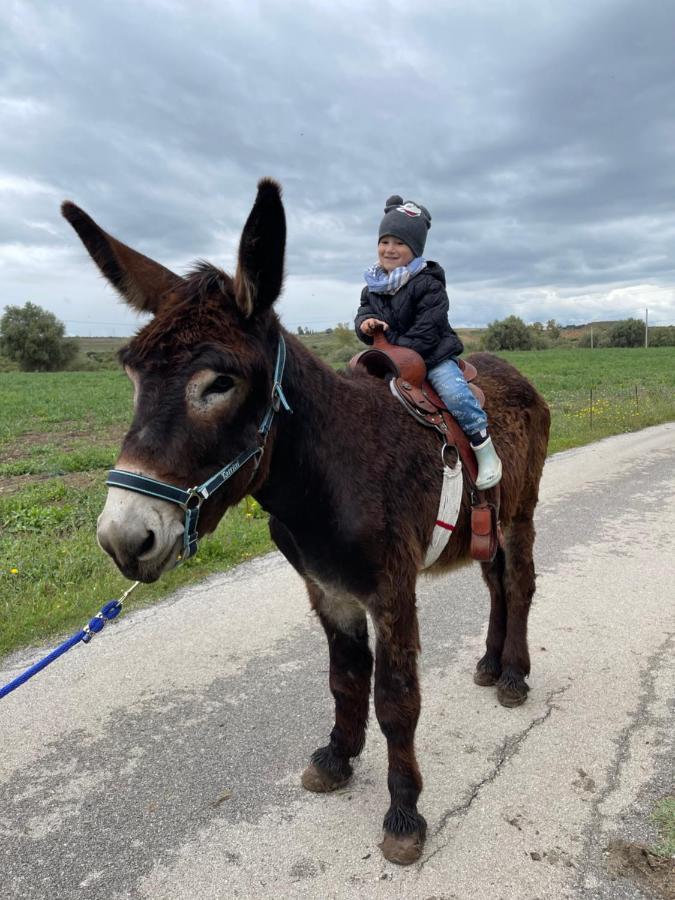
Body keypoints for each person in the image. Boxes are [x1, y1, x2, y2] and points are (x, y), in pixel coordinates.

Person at [354, 195, 502, 490]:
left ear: (415, 249)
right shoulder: (372, 287)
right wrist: (365, 324)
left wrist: (394, 348)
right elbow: (363, 313)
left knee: (455, 394)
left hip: (432, 356)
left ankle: (483, 447)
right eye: (385, 241)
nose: (390, 249)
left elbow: (427, 331)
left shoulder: (429, 284)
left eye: (399, 243)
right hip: (390, 358)